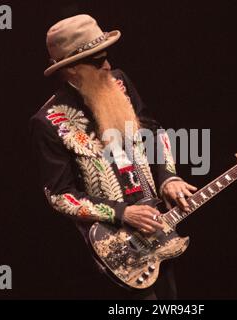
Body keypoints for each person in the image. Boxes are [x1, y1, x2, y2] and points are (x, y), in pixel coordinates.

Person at [30, 14, 197, 299]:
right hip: (115, 249)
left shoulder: (119, 82)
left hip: (158, 227)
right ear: (71, 70)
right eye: (96, 62)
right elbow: (60, 195)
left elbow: (153, 132)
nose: (107, 66)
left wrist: (169, 176)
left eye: (106, 56)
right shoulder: (49, 120)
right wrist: (122, 213)